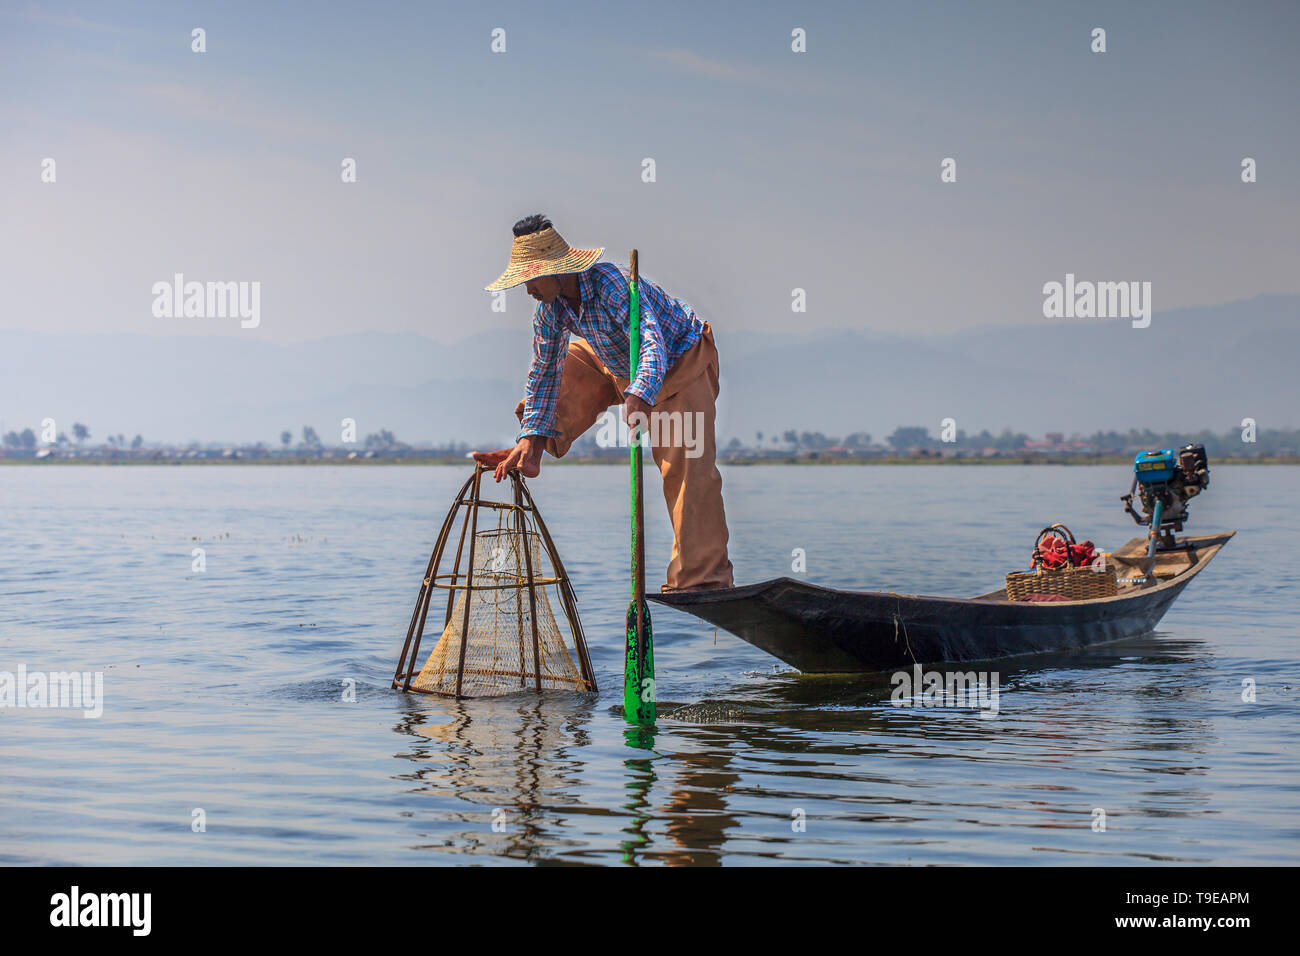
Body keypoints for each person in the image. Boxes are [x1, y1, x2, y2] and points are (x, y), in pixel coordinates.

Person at [473, 214, 734, 592]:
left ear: (556, 270)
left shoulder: (610, 284)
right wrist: (531, 435)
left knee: (686, 469)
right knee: (563, 364)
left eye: (530, 280)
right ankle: (535, 448)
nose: (527, 290)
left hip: (679, 361)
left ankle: (702, 579)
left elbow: (650, 340)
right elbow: (544, 371)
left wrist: (641, 395)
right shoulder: (550, 310)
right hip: (618, 365)